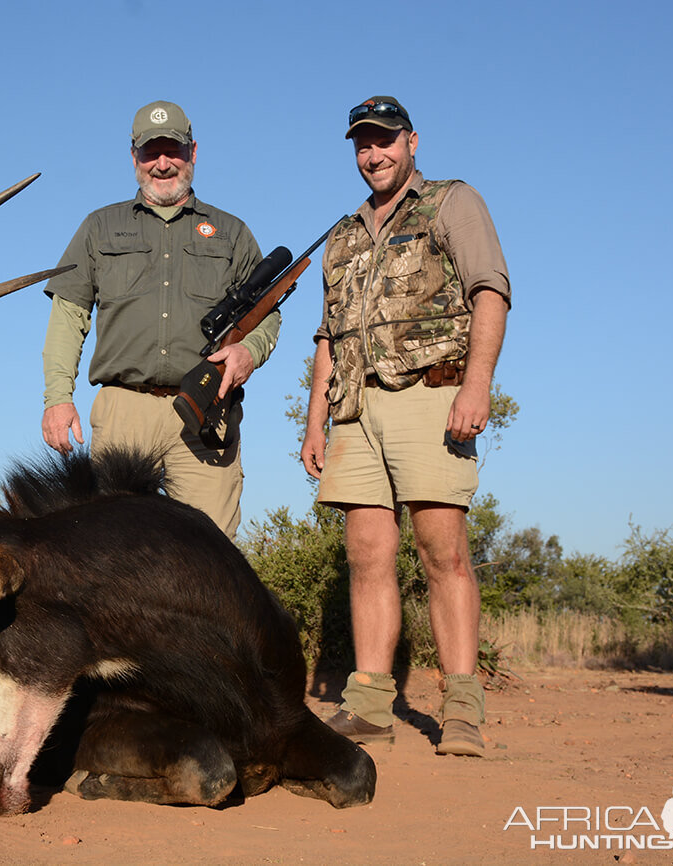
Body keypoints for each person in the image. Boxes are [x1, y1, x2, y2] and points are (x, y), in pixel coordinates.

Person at [300, 96, 511, 757]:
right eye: (362, 143)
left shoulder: (452, 201)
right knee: (366, 556)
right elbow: (328, 334)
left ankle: (460, 710)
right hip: (355, 411)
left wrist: (476, 385)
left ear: (411, 141)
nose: (374, 154)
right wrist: (316, 421)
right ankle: (368, 705)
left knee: (442, 553)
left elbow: (490, 290)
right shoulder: (340, 233)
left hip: (431, 394)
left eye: (384, 140)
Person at [41, 100, 280, 539]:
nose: (163, 163)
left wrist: (250, 350)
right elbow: (68, 316)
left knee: (212, 554)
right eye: (152, 152)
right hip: (123, 413)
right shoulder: (99, 226)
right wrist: (57, 398)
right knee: (114, 554)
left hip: (207, 409)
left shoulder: (233, 232)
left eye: (174, 150)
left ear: (193, 153)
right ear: (134, 157)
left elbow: (267, 315)